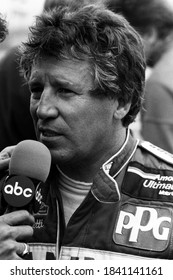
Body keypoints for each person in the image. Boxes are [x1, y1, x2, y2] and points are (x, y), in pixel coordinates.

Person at [0, 3, 173, 260]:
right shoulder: (7, 180)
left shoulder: (166, 189)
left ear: (122, 102)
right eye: (36, 90)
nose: (43, 109)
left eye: (65, 91)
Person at [107, 0, 173, 153]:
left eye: (126, 38)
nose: (119, 50)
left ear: (150, 34)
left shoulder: (159, 85)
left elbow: (163, 169)